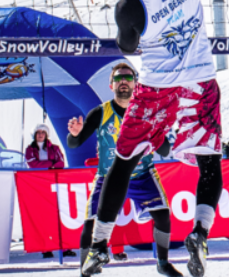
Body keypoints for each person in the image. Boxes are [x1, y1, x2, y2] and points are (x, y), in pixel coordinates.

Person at [86, 0, 223, 277]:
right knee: (208, 163)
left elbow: (127, 45)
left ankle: (98, 248)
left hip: (159, 88)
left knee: (122, 165)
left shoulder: (128, 4)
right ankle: (200, 234)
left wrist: (138, 30)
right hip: (200, 82)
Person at [67, 61, 179, 275]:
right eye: (118, 78)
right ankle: (84, 270)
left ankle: (163, 264)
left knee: (163, 215)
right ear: (111, 86)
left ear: (136, 84)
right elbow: (75, 143)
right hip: (108, 176)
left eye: (128, 77)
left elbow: (165, 150)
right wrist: (74, 134)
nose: (124, 81)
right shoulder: (100, 113)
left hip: (142, 174)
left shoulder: (147, 113)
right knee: (90, 223)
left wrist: (157, 129)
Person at [26, 124, 73, 259]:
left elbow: (61, 163)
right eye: (38, 132)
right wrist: (51, 164)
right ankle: (46, 248)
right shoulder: (30, 150)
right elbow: (33, 165)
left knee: (60, 215)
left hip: (55, 185)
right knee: (44, 217)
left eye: (43, 132)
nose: (41, 134)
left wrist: (48, 165)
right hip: (39, 186)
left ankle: (65, 247)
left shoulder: (55, 148)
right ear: (34, 135)